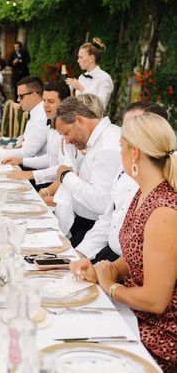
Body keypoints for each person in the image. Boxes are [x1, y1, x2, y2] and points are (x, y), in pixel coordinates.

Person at [71, 112, 177, 372]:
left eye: (122, 148)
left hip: (159, 333)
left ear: (135, 153)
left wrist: (111, 287)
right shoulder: (143, 192)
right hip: (135, 311)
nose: (120, 155)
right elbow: (135, 255)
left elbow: (155, 300)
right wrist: (105, 270)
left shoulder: (164, 212)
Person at [74, 101, 169, 263]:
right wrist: (80, 254)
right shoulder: (124, 167)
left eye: (132, 130)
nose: (121, 139)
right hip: (110, 256)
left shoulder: (166, 184)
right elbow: (108, 218)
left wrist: (112, 283)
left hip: (137, 266)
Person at [53, 95, 122, 246]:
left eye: (66, 132)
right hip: (84, 223)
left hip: (95, 229)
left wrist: (66, 176)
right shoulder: (100, 139)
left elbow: (103, 203)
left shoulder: (106, 147)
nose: (67, 140)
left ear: (80, 120)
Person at [6, 80, 71, 185]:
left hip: (57, 184)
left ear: (65, 103)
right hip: (48, 179)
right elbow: (50, 158)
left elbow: (66, 168)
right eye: (44, 101)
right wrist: (21, 161)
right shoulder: (52, 123)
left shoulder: (70, 131)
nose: (45, 105)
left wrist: (31, 174)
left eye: (50, 101)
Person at [0, 76, 48, 162]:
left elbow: (27, 153)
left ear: (34, 95)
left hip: (33, 168)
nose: (18, 100)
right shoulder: (36, 112)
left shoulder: (40, 118)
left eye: (21, 96)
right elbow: (21, 141)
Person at [65, 37, 113, 108]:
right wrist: (71, 91)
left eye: (81, 57)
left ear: (91, 59)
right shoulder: (81, 77)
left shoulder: (104, 78)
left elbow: (101, 105)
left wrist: (81, 88)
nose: (78, 61)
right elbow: (78, 105)